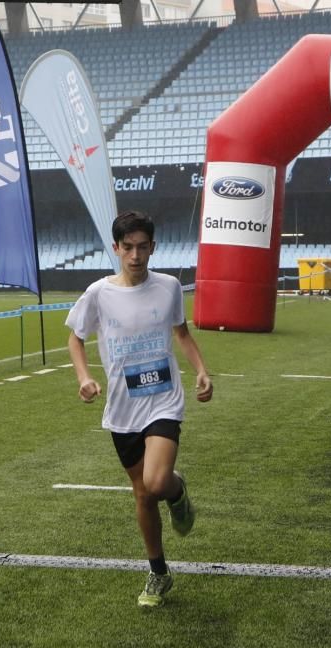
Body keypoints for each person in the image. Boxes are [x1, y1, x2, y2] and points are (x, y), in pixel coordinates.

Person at [66, 210, 213, 607]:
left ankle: (177, 489)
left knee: (156, 480)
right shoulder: (98, 293)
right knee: (143, 494)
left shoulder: (168, 287)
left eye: (142, 246)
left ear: (153, 247)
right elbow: (75, 338)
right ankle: (159, 572)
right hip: (122, 409)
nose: (135, 255)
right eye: (127, 247)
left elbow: (181, 332)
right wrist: (84, 378)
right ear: (116, 248)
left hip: (164, 400)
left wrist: (201, 370)